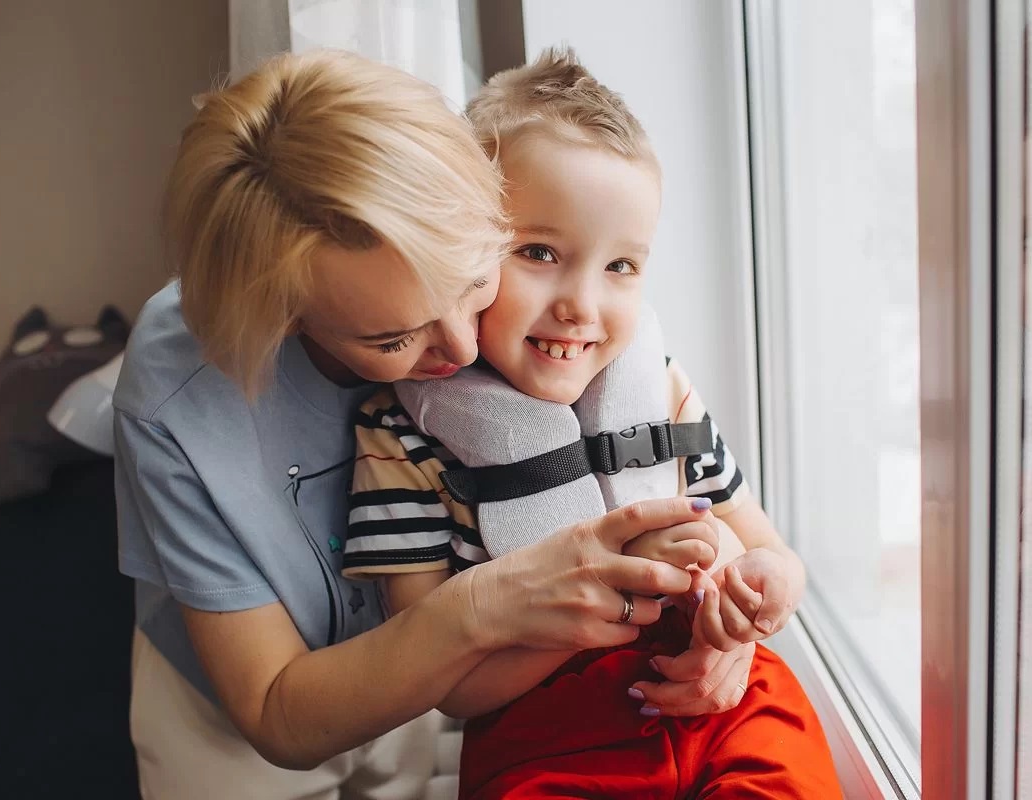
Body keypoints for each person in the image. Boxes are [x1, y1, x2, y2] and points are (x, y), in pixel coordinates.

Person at [114, 50, 742, 800]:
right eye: (393, 339)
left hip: (421, 667)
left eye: (475, 281)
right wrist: (485, 604)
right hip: (240, 719)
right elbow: (274, 713)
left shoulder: (554, 313)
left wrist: (726, 621)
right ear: (289, 320)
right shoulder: (177, 403)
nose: (466, 348)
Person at [342, 48, 840, 798]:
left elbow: (776, 557)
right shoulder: (402, 434)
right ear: (468, 247)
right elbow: (452, 691)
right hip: (544, 742)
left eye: (621, 267)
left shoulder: (661, 389)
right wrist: (615, 593)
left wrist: (750, 607)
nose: (582, 304)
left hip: (727, 701)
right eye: (539, 252)